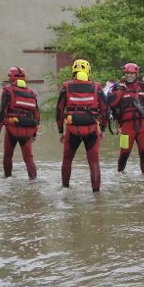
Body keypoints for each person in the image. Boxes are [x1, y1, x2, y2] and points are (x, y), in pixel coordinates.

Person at [56, 59, 107, 192]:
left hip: (72, 131)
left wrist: (60, 131)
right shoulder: (97, 87)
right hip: (91, 130)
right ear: (88, 72)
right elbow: (105, 110)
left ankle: (65, 189)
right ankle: (96, 194)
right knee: (94, 163)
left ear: (74, 72)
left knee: (67, 160)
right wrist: (103, 129)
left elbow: (59, 110)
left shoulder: (66, 86)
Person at [108, 62, 144, 174]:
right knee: (124, 154)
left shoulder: (143, 86)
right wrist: (121, 90)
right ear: (124, 74)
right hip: (126, 128)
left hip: (143, 126)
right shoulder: (118, 87)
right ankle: (120, 176)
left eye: (132, 73)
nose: (129, 76)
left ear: (136, 74)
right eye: (127, 73)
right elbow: (112, 103)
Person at [0, 66, 40, 179]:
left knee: (8, 156)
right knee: (28, 158)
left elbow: (2, 110)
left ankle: (7, 178)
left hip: (12, 128)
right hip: (28, 130)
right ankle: (33, 182)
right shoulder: (32, 94)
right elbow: (37, 115)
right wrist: (34, 134)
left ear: (11, 77)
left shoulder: (7, 91)